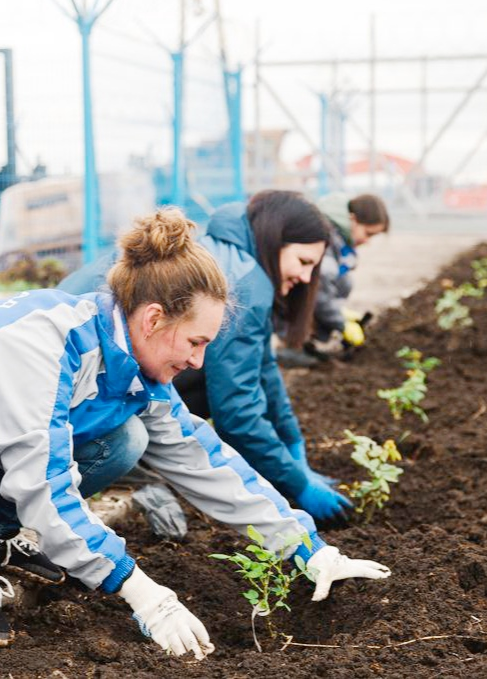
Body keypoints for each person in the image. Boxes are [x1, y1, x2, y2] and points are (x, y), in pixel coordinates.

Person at [0, 208, 391, 657]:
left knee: (126, 440)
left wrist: (307, 547)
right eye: (195, 342)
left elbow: (201, 457)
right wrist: (142, 592)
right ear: (153, 319)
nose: (198, 363)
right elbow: (44, 486)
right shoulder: (44, 346)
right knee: (66, 473)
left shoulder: (130, 361)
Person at [59, 191, 353, 523]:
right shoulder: (247, 281)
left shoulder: (231, 254)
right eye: (303, 262)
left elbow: (263, 369)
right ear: (275, 241)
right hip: (70, 374)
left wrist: (293, 443)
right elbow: (237, 411)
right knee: (142, 433)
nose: (305, 277)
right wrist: (297, 485)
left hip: (81, 368)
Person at [278, 192, 390, 366]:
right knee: (333, 283)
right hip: (283, 293)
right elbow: (320, 285)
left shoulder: (338, 237)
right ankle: (292, 346)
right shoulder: (325, 233)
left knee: (344, 282)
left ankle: (303, 341)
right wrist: (340, 322)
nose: (367, 241)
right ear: (352, 219)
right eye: (368, 233)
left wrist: (340, 313)